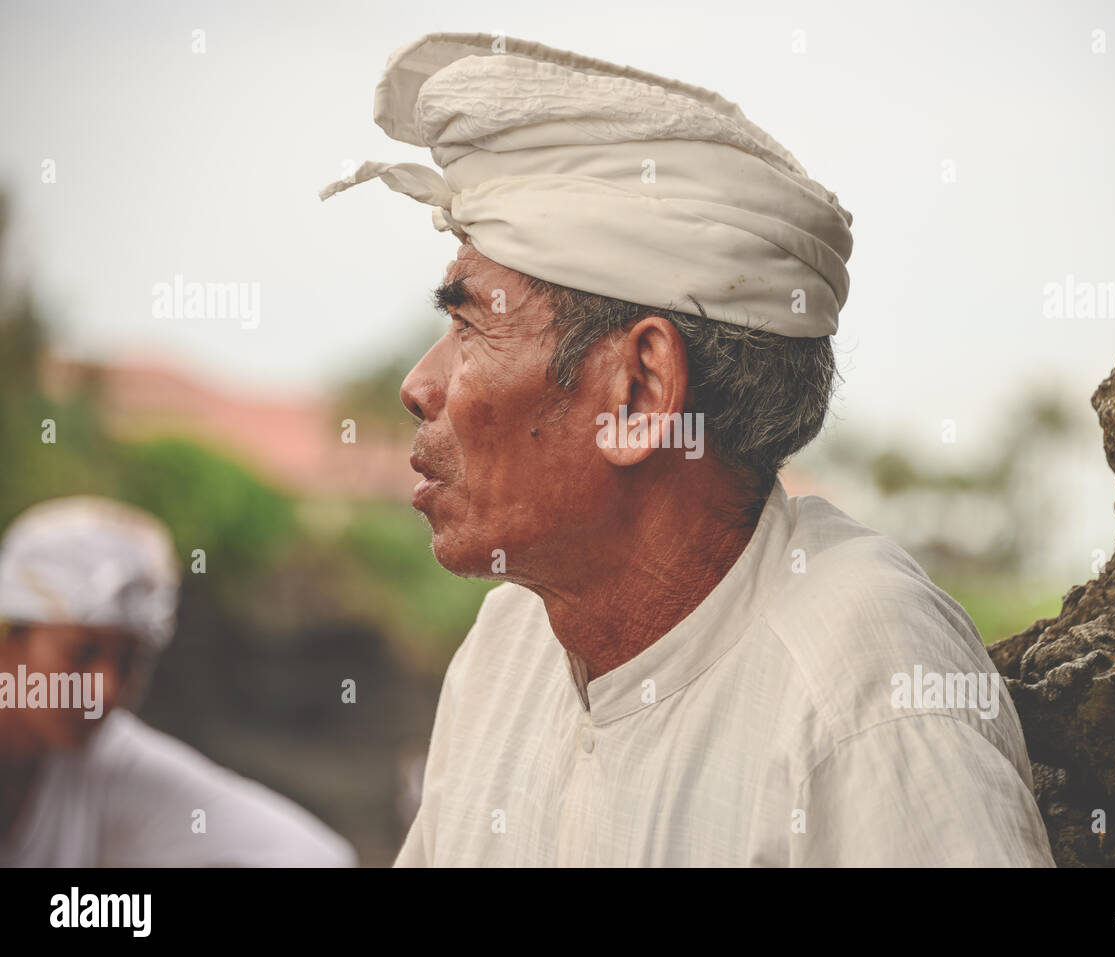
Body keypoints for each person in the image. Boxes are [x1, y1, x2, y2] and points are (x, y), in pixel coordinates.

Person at [321, 32, 1055, 866]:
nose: (421, 384)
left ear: (638, 392)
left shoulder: (867, 689)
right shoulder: (508, 645)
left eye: (469, 324)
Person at [0, 496, 356, 867]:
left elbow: (314, 857)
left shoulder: (107, 762)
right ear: (9, 638)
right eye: (80, 653)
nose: (105, 690)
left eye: (128, 662)